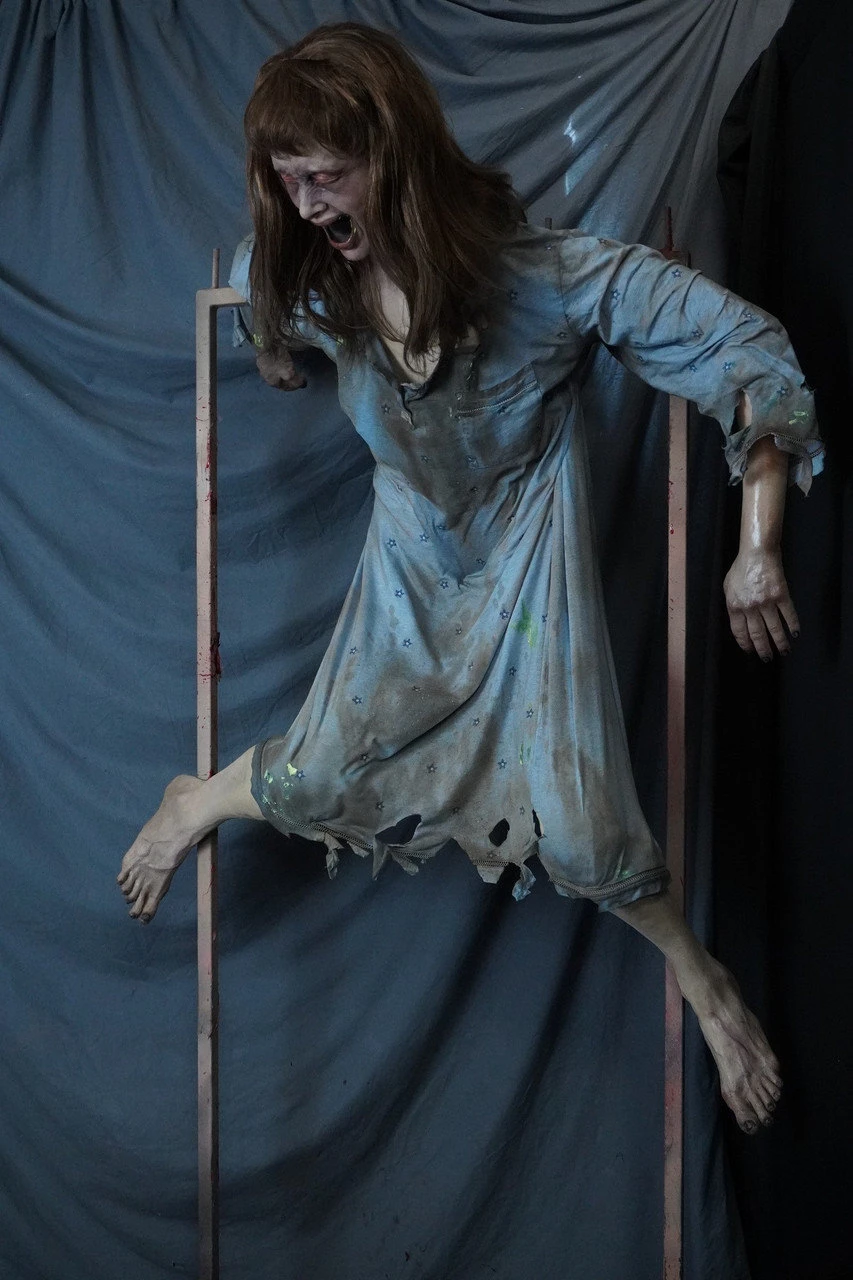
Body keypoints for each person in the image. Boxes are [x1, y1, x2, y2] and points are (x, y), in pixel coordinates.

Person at [118, 23, 823, 1135]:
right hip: (411, 565)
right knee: (320, 774)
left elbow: (744, 354)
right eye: (287, 180)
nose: (305, 203)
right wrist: (274, 346)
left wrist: (756, 543)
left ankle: (702, 977)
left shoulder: (542, 280)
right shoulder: (318, 280)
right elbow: (261, 285)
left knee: (583, 827)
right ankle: (194, 799)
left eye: (324, 176)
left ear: (393, 155)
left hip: (525, 568)